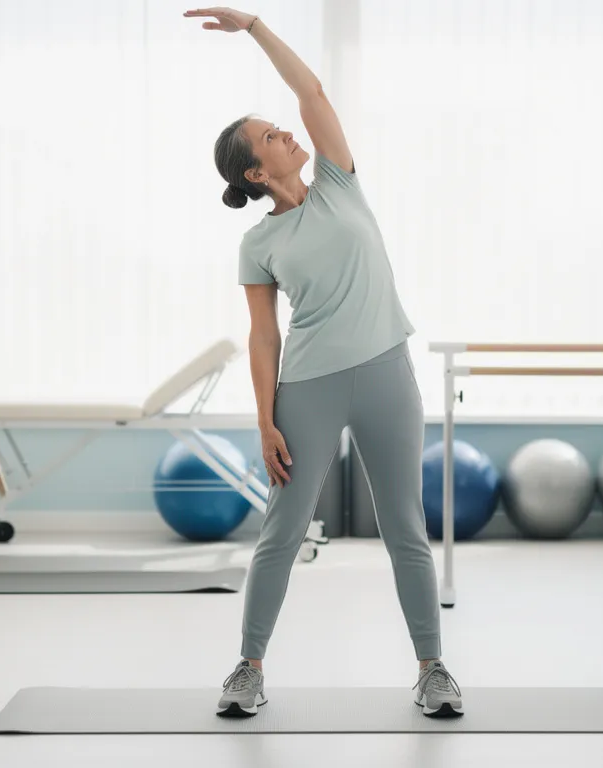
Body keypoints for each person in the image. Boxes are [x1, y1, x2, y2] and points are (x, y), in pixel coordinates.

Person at [184, 7, 464, 718]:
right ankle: (247, 669)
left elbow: (312, 93)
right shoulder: (258, 245)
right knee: (282, 530)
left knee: (405, 526)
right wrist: (265, 420)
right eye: (271, 137)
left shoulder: (340, 182)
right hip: (307, 388)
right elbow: (262, 338)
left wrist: (253, 27)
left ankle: (433, 669)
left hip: (386, 377)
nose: (287, 132)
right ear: (256, 169)